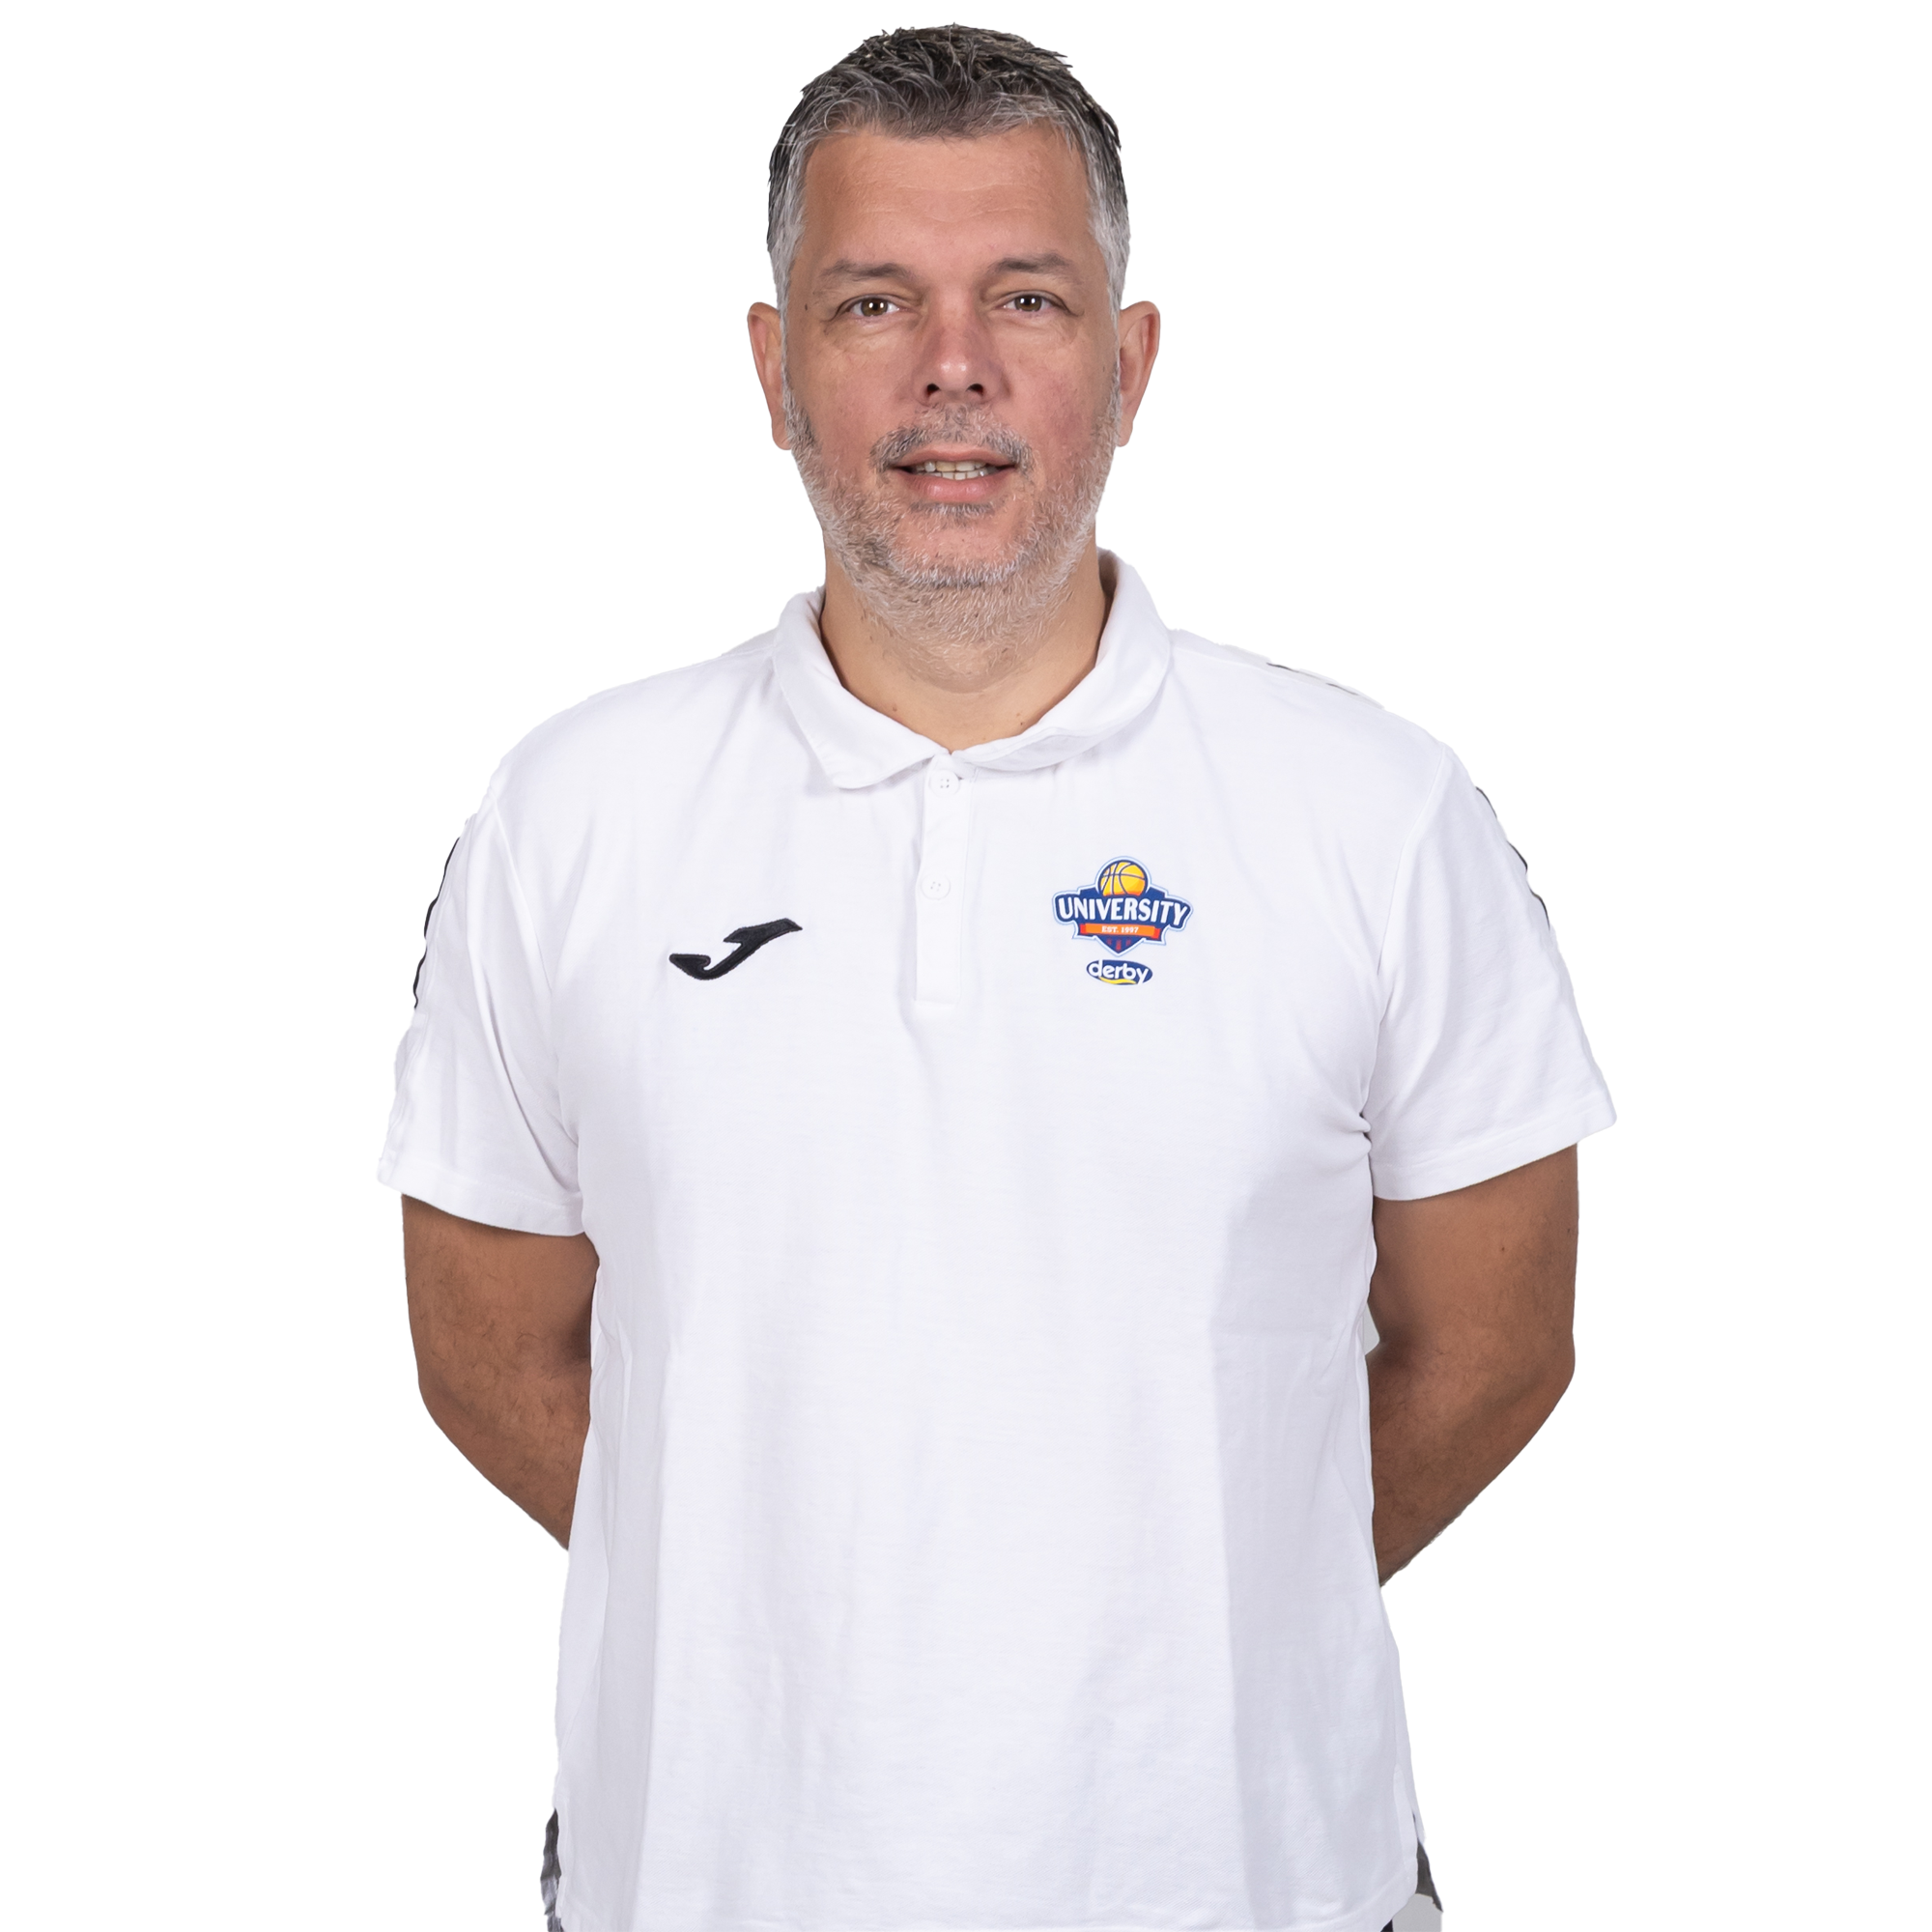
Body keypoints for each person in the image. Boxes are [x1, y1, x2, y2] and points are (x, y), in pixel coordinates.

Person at [379, 24, 1614, 1932]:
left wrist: (1176, 1612)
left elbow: (1497, 1341)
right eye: (874, 301)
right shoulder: (571, 816)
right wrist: (787, 1614)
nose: (951, 364)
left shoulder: (1378, 816)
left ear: (1127, 365)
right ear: (774, 369)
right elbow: (484, 1347)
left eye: (1025, 297)